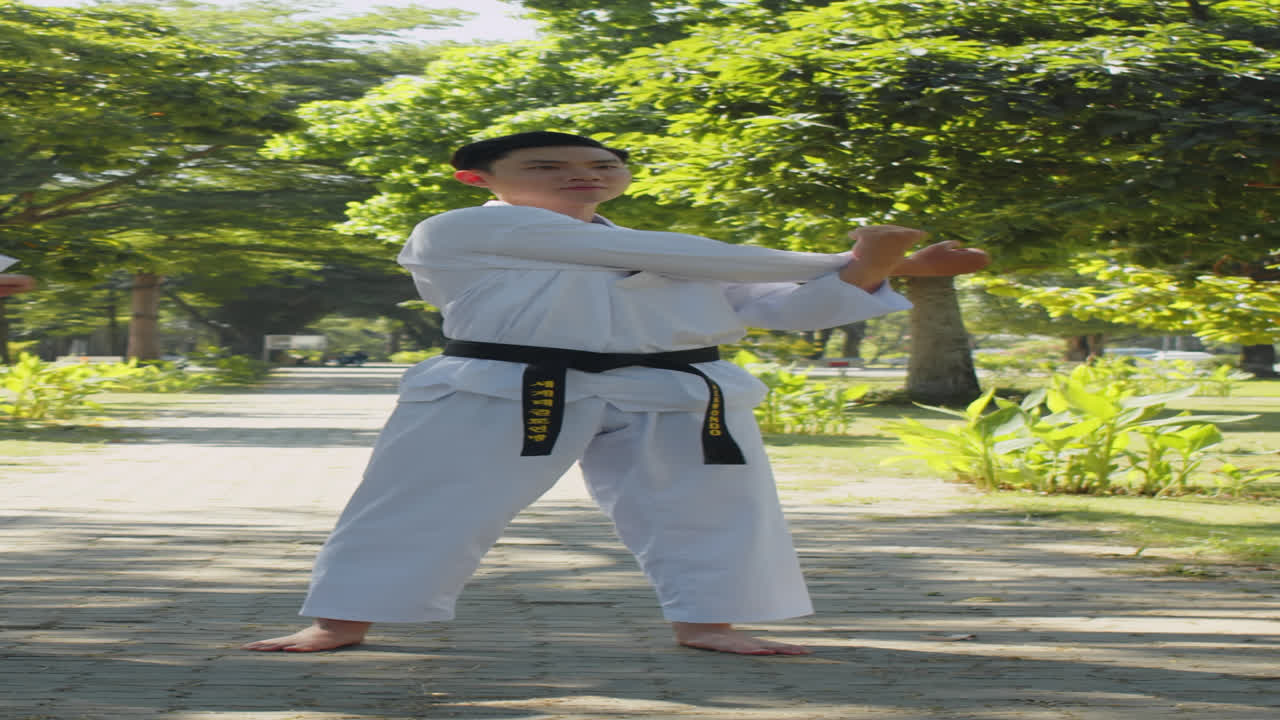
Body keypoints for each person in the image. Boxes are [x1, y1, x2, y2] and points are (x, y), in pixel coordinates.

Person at [243, 131, 989, 656]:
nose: (586, 175)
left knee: (711, 509)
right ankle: (341, 623)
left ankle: (709, 624)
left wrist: (866, 273)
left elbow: (784, 308)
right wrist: (857, 257)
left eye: (603, 166)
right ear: (481, 178)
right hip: (504, 384)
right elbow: (641, 253)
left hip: (672, 388)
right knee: (423, 500)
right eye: (551, 165)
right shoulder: (456, 231)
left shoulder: (679, 255)